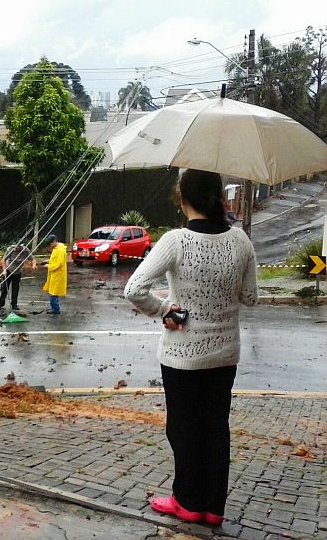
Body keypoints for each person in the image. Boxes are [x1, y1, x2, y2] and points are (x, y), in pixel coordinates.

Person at [124, 169, 258, 526]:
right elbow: (250, 296)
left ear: (182, 199)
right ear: (220, 198)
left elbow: (134, 289)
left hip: (183, 355)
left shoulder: (175, 240)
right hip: (225, 353)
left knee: (183, 428)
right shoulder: (242, 241)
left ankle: (186, 501)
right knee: (216, 428)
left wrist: (168, 309)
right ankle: (213, 508)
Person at [0, 243, 36, 311]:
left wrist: (34, 265)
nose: (16, 249)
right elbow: (3, 260)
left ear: (21, 247)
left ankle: (14, 305)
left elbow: (33, 259)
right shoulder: (10, 249)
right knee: (4, 288)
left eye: (18, 248)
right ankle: (0, 304)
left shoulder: (26, 250)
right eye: (15, 247)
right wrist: (4, 270)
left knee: (15, 289)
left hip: (17, 272)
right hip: (8, 270)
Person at [41, 235, 67, 314]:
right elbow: (55, 259)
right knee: (52, 291)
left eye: (50, 244)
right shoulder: (56, 249)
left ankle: (55, 309)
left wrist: (48, 266)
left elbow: (59, 263)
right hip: (54, 274)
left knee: (53, 292)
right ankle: (54, 307)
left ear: (54, 241)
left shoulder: (60, 250)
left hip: (58, 275)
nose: (50, 246)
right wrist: (48, 261)